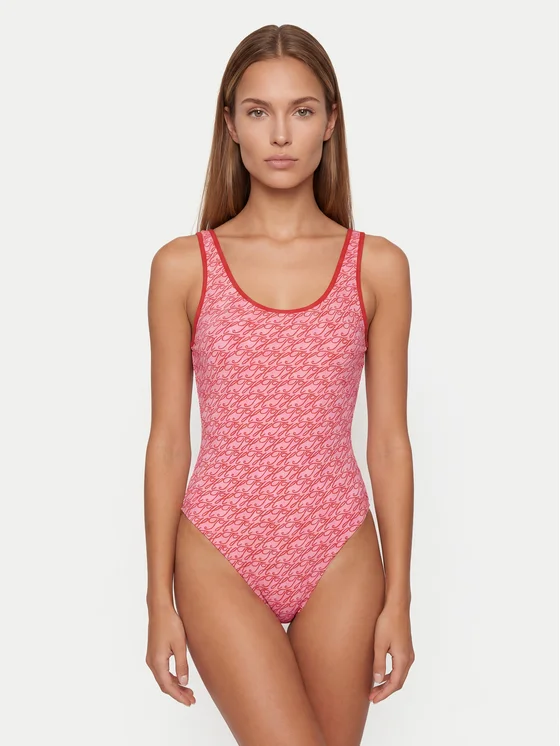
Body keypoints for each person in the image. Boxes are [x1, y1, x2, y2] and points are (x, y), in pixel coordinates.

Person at [144, 23, 415, 746]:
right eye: (258, 111)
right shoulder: (183, 267)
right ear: (230, 125)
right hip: (218, 547)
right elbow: (168, 441)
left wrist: (399, 597)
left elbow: (389, 443)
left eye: (301, 109)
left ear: (330, 121)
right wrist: (157, 599)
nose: (281, 133)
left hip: (340, 548)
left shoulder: (378, 267)